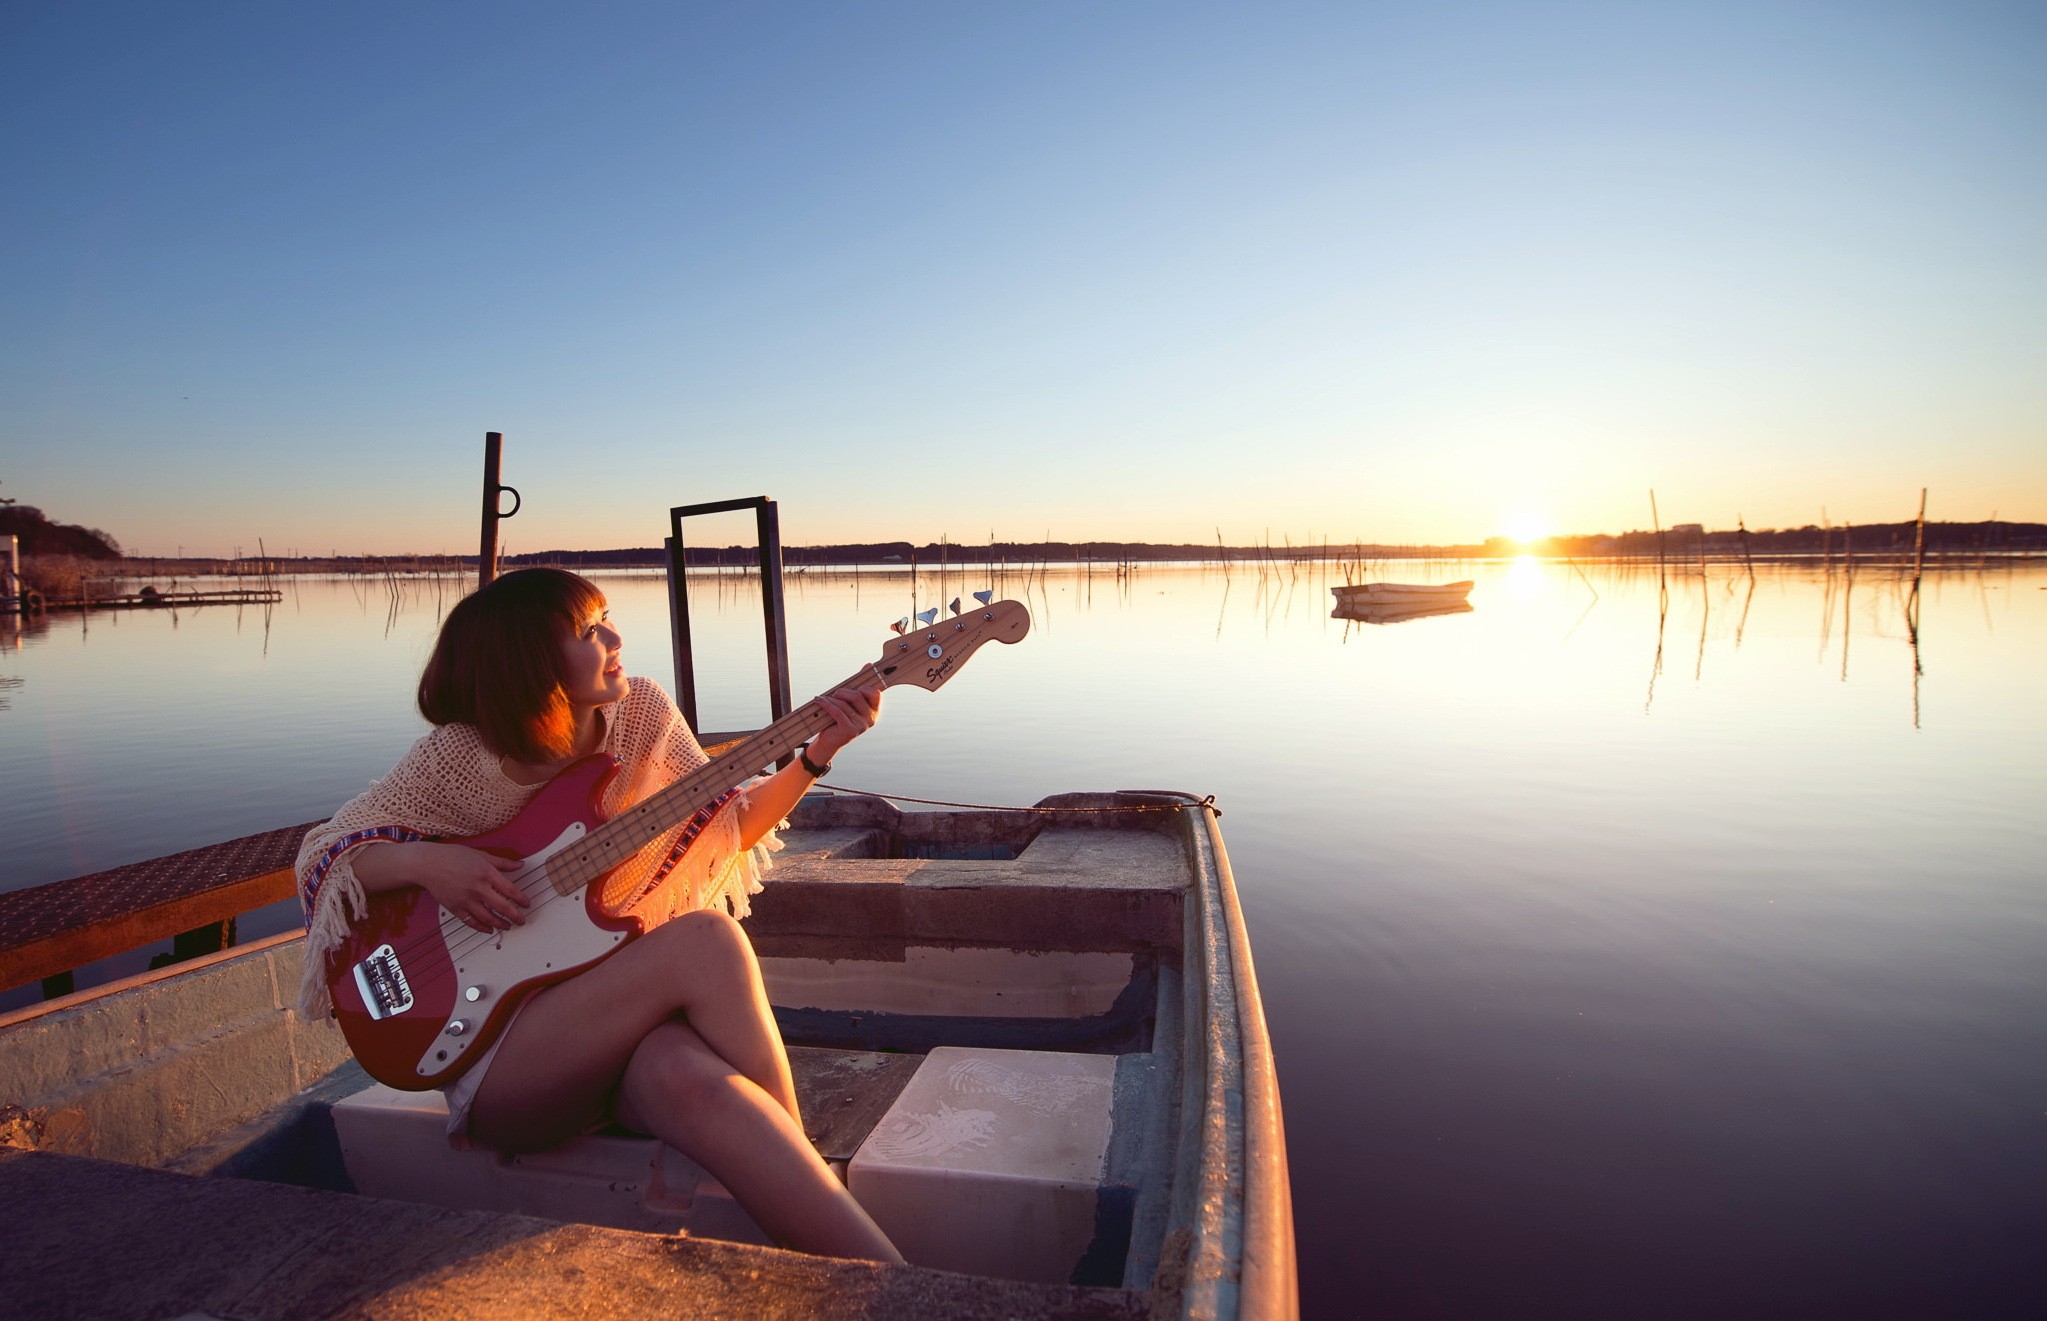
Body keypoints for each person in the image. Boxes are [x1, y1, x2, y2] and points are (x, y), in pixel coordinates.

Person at [294, 567, 901, 1263]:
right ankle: (818, 1185)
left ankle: (892, 1286)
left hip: (612, 1016)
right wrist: (428, 864)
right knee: (704, 938)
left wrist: (817, 753)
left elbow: (724, 820)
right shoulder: (463, 756)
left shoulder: (640, 712)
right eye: (588, 629)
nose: (614, 636)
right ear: (532, 663)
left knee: (696, 1083)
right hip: (494, 1047)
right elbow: (326, 855)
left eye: (607, 616)